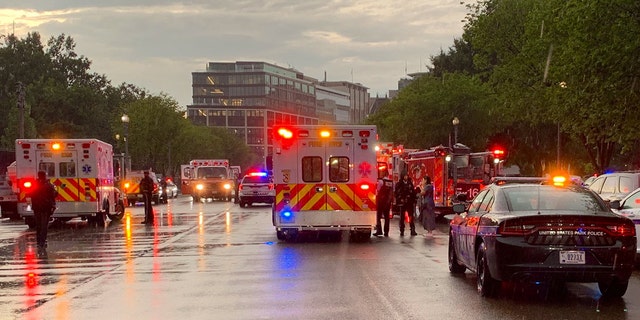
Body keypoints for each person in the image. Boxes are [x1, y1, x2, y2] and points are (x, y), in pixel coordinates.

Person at [31, 170, 57, 249]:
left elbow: (31, 195)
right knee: (44, 226)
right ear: (45, 176)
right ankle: (43, 241)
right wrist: (53, 205)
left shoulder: (34, 185)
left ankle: (39, 241)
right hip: (46, 207)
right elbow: (54, 195)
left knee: (38, 225)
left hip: (37, 207)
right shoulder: (48, 185)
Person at [373, 173, 393, 237]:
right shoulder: (391, 182)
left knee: (378, 216)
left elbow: (378, 190)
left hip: (381, 201)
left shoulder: (381, 182)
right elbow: (393, 191)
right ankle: (386, 232)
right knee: (387, 217)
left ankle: (379, 231)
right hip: (388, 202)